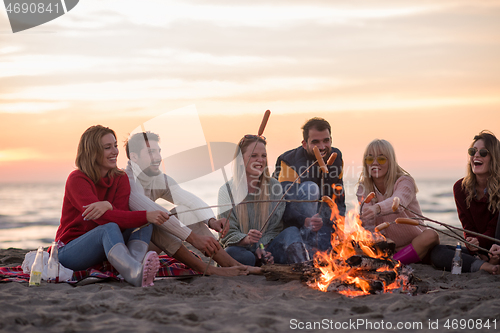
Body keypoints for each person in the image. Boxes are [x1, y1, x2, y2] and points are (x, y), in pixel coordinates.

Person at [125, 132, 251, 276]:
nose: (158, 157)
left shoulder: (156, 178)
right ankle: (207, 269)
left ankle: (231, 265)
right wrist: (193, 238)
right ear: (134, 157)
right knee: (154, 223)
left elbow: (188, 200)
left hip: (148, 244)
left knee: (186, 212)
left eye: (158, 151)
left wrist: (211, 221)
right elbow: (155, 212)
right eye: (151, 152)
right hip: (128, 249)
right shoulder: (128, 181)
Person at [56, 125, 168, 287]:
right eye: (107, 147)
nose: (115, 151)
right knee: (110, 227)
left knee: (144, 224)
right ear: (92, 152)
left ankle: (134, 267)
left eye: (115, 145)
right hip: (70, 251)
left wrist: (110, 206)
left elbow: (121, 216)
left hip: (103, 249)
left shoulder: (120, 178)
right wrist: (143, 214)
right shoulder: (77, 179)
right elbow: (103, 219)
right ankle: (134, 272)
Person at [218, 135, 308, 266]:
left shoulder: (274, 186)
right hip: (241, 250)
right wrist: (248, 239)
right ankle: (255, 263)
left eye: (263, 156)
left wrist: (262, 247)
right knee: (232, 253)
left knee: (292, 232)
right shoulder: (226, 190)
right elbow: (227, 234)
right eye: (254, 156)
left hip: (267, 249)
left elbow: (276, 228)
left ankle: (305, 268)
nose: (260, 160)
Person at [357, 139, 439, 264]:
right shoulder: (363, 188)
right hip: (389, 246)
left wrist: (377, 208)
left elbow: (398, 203)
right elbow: (369, 226)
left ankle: (391, 264)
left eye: (381, 159)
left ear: (391, 161)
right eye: (369, 159)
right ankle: (392, 261)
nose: (374, 163)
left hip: (416, 242)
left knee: (431, 234)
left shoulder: (404, 181)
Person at [430, 130, 500, 274]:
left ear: (495, 158)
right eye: (472, 151)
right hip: (481, 252)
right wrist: (472, 246)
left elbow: (494, 229)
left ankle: (488, 264)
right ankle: (484, 266)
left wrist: (481, 244)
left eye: (483, 152)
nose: (476, 155)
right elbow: (467, 228)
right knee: (437, 252)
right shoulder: (460, 188)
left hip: (497, 246)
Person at [273, 117, 345, 252]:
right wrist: (304, 220)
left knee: (330, 256)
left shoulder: (336, 157)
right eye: (315, 142)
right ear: (304, 144)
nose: (322, 147)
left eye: (326, 140)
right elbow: (283, 205)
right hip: (295, 225)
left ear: (331, 140)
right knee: (310, 188)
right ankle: (308, 248)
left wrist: (339, 229)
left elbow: (339, 198)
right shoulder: (288, 161)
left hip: (322, 222)